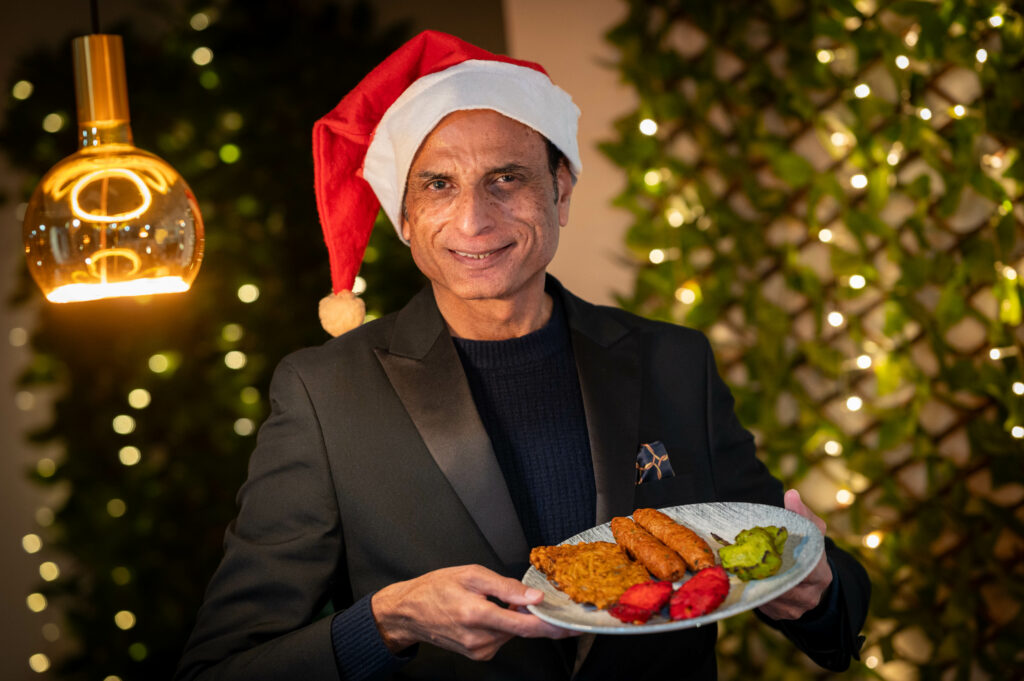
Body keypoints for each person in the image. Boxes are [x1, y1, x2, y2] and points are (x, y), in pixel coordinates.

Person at [175, 30, 869, 681]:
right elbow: (224, 665)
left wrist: (816, 591)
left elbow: (829, 619)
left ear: (561, 191)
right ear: (403, 217)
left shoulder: (672, 361)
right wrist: (387, 622)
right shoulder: (325, 393)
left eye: (507, 178)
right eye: (438, 184)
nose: (475, 220)